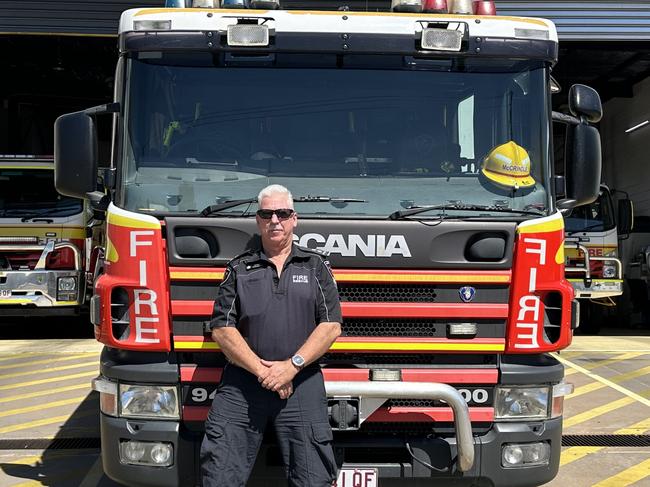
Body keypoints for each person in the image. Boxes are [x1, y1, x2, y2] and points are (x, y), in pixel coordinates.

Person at [200, 184, 342, 487]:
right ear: (258, 220)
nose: (274, 220)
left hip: (301, 383)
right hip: (243, 386)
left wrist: (291, 366)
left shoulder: (316, 266)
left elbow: (331, 326)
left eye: (282, 213)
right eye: (267, 213)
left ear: (294, 219)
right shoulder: (239, 268)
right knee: (219, 475)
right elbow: (222, 330)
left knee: (312, 479)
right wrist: (263, 371)